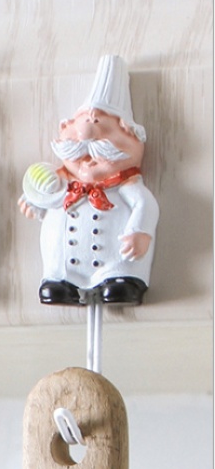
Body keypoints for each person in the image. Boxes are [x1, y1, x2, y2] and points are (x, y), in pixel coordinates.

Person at [19, 54, 159, 305]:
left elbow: (145, 206)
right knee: (58, 268)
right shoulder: (61, 179)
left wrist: (141, 232)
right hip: (64, 264)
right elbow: (46, 194)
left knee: (120, 273)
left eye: (99, 126)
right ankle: (59, 281)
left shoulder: (127, 185)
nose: (86, 139)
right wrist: (35, 201)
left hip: (115, 260)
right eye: (80, 143)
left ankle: (121, 280)